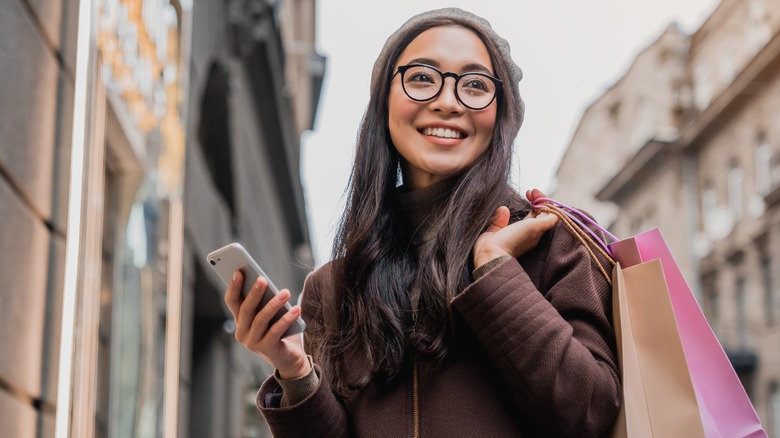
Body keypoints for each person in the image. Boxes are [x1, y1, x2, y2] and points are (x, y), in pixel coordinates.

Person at [225, 8, 620, 437]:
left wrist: (494, 272)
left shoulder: (552, 242)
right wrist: (295, 371)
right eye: (421, 78)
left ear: (501, 116)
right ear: (384, 103)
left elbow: (592, 413)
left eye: (474, 85)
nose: (447, 102)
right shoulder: (333, 288)